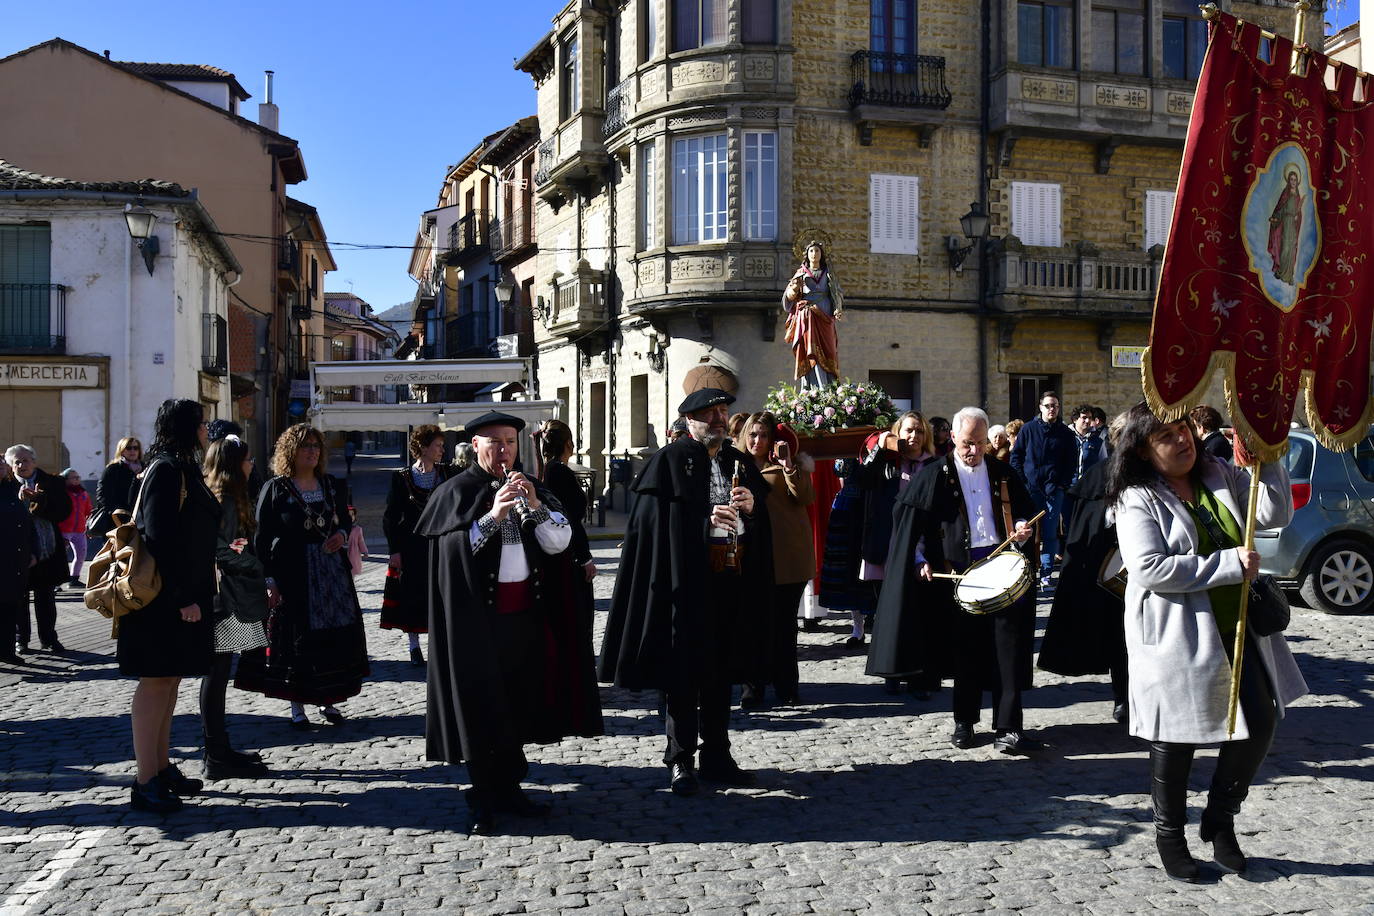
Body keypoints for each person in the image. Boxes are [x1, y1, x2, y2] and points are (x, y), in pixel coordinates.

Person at [1108, 402, 1307, 881]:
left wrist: (1268, 455)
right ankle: (1169, 834)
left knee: (1258, 724)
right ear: (1142, 450)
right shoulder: (1137, 497)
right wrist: (1226, 566)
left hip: (1239, 629)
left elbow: (1273, 511)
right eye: (1167, 436)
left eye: (1183, 430)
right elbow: (1149, 568)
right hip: (1176, 634)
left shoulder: (1218, 470)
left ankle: (1220, 819)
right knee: (1177, 739)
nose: (1183, 441)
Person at [414, 411, 603, 834]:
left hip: (525, 616)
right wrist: (493, 515)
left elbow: (559, 543)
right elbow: (451, 553)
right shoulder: (455, 491)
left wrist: (533, 506)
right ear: (475, 446)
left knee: (519, 701)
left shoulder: (530, 488)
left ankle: (510, 788)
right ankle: (482, 794)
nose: (503, 450)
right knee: (482, 705)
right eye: (494, 442)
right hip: (479, 622)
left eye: (510, 442)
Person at [600, 388, 772, 796]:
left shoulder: (737, 461)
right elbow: (652, 528)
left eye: (722, 411)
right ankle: (680, 761)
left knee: (721, 672)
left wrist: (750, 511)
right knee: (683, 676)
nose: (718, 419)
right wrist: (701, 520)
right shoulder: (669, 461)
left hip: (729, 584)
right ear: (690, 420)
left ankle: (718, 755)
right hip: (683, 586)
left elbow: (763, 523)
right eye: (709, 413)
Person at [877, 408, 1041, 754]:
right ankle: (964, 722)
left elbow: (1024, 512)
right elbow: (911, 524)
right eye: (968, 443)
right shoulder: (934, 475)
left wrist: (1023, 529)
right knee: (966, 650)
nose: (974, 451)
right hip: (958, 572)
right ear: (953, 438)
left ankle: (1009, 727)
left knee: (1007, 651)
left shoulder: (1002, 472)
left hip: (1002, 565)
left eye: (981, 444)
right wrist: (920, 559)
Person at [117, 399, 219, 813]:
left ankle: (159, 768)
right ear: (186, 427)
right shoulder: (166, 469)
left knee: (170, 681)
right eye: (201, 423)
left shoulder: (179, 466)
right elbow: (157, 537)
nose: (206, 430)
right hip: (164, 599)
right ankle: (145, 781)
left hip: (181, 594)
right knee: (157, 681)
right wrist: (183, 597)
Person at [235, 424, 369, 728]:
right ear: (290, 452)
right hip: (294, 576)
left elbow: (346, 520)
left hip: (331, 576)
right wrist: (268, 579)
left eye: (316, 446)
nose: (312, 451)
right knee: (298, 641)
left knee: (331, 639)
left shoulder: (331, 484)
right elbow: (260, 537)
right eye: (305, 446)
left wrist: (341, 534)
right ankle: (297, 706)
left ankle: (328, 699)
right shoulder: (276, 488)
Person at [1038, 411, 1130, 723]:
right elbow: (1087, 524)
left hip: (1147, 571)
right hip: (1107, 572)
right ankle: (1124, 697)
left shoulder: (1155, 473)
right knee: (1118, 636)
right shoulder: (1099, 474)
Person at [200, 434, 271, 780]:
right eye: (246, 459)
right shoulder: (226, 500)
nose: (251, 464)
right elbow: (224, 549)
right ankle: (215, 752)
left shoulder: (224, 496)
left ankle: (219, 748)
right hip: (224, 599)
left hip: (224, 595)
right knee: (216, 674)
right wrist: (256, 568)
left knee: (218, 673)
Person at [862, 411, 942, 695]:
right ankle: (891, 671)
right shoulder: (887, 463)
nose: (914, 437)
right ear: (898, 433)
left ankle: (919, 676)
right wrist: (880, 450)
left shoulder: (934, 466)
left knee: (918, 614)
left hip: (921, 548)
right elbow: (861, 480)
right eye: (908, 430)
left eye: (919, 431)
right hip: (886, 548)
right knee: (888, 614)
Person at [739, 412, 814, 707]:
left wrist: (789, 467)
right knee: (751, 626)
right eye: (753, 434)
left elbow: (806, 497)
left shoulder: (787, 465)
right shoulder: (736, 464)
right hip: (750, 557)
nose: (757, 441)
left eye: (764, 435)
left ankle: (787, 686)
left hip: (786, 557)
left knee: (784, 627)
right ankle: (752, 687)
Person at [382, 425, 453, 666]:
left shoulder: (447, 474)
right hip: (412, 547)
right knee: (413, 596)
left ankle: (438, 646)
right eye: (438, 446)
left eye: (443, 446)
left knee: (439, 594)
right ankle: (414, 646)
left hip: (439, 544)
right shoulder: (402, 477)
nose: (442, 450)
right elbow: (391, 516)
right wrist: (394, 550)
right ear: (423, 447)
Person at [5, 444, 71, 655]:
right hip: (17, 550)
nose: (21, 465)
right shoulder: (6, 486)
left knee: (45, 597)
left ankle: (49, 639)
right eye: (16, 461)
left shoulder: (51, 482)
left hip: (46, 549)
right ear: (10, 465)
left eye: (25, 460)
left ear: (34, 461)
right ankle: (21, 640)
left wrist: (38, 500)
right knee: (19, 599)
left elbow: (63, 512)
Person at [1010, 390, 1077, 589]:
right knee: (1026, 531)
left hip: (1053, 490)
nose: (1052, 409)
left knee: (1049, 533)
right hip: (1030, 489)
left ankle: (1046, 574)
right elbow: (1017, 457)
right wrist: (1022, 482)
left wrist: (1062, 484)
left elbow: (1071, 462)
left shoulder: (1065, 433)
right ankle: (1026, 571)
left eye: (1055, 405)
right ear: (1040, 408)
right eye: (1048, 405)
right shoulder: (1028, 429)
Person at [534, 420, 597, 629]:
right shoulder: (559, 471)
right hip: (569, 553)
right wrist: (585, 557)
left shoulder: (550, 469)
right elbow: (570, 519)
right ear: (568, 443)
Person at [783, 241, 844, 387]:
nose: (814, 254)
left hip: (825, 315)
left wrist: (838, 308)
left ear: (821, 254)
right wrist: (794, 290)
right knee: (809, 348)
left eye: (817, 251)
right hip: (807, 317)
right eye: (811, 251)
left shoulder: (828, 273)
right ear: (806, 254)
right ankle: (810, 385)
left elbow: (837, 292)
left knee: (829, 349)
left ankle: (828, 385)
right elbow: (789, 296)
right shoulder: (800, 273)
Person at [1, 460, 34, 665]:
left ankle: (6, 650)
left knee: (10, 605)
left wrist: (32, 551)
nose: (2, 468)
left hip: (15, 557)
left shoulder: (13, 489)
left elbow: (26, 523)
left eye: (2, 465)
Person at [88, 436, 143, 548]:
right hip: (116, 520)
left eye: (135, 448)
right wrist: (115, 512)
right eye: (128, 448)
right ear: (122, 450)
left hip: (139, 519)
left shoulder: (145, 469)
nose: (132, 451)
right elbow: (102, 495)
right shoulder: (113, 469)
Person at [1268, 166, 1303, 285]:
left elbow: (1299, 211)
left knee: (1292, 250)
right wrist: (1275, 217)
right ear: (1289, 181)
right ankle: (1281, 271)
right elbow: (1280, 208)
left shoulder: (1298, 195)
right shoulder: (1286, 193)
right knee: (1285, 249)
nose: (1293, 182)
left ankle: (1289, 276)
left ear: (1297, 181)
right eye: (1291, 179)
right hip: (1285, 223)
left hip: (1293, 225)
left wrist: (1298, 216)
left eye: (1295, 179)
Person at [58, 468, 92, 588]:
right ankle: (56, 582)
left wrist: (87, 525)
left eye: (78, 477)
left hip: (79, 530)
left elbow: (88, 510)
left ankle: (74, 579)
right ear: (66, 480)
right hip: (64, 529)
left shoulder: (84, 493)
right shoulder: (62, 493)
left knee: (81, 555)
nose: (77, 479)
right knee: (60, 557)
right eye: (74, 477)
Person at [346, 507, 368, 578]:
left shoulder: (358, 529)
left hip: (353, 554)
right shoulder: (340, 529)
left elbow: (361, 541)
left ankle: (352, 587)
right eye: (348, 515)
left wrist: (364, 551)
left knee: (352, 574)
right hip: (344, 554)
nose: (350, 516)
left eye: (352, 514)